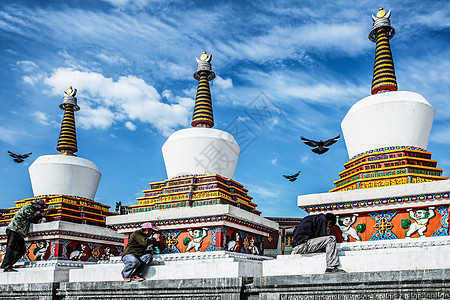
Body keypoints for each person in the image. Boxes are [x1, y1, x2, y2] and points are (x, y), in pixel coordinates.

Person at [1, 199, 46, 272]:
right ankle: (6, 266)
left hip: (19, 232)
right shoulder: (29, 209)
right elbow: (31, 219)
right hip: (15, 229)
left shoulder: (31, 209)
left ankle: (9, 264)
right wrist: (40, 215)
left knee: (21, 250)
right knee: (12, 247)